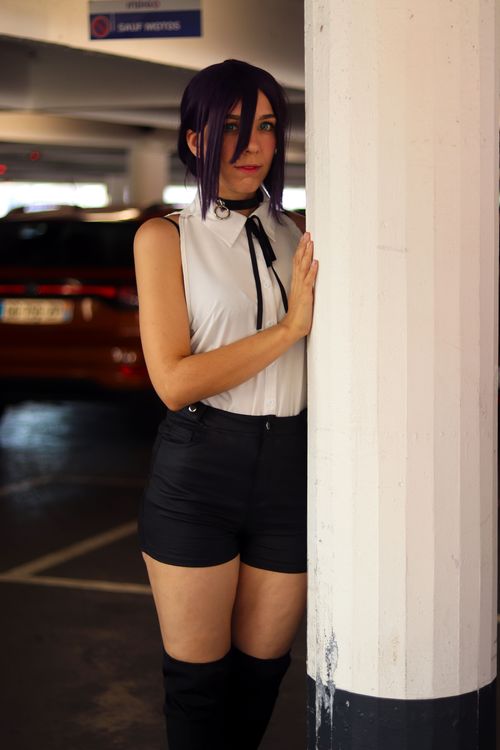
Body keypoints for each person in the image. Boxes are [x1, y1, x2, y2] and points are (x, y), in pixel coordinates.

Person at [133, 58, 318, 750]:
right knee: (197, 687)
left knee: (261, 677)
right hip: (199, 471)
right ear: (195, 139)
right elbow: (174, 382)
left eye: (266, 126)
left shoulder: (301, 235)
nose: (251, 144)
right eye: (232, 126)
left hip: (291, 471)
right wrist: (290, 330)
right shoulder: (167, 238)